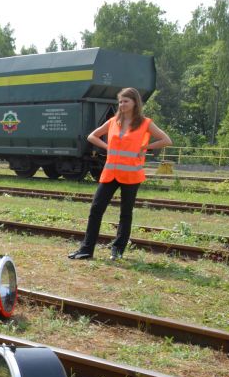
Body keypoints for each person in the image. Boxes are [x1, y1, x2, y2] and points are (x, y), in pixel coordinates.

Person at [68, 87, 172, 261]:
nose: (122, 104)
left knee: (125, 213)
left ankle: (118, 250)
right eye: (120, 101)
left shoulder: (145, 123)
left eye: (126, 101)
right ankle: (86, 249)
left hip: (131, 176)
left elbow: (166, 140)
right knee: (95, 210)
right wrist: (107, 147)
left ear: (135, 103)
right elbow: (92, 136)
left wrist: (145, 147)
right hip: (110, 173)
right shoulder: (113, 122)